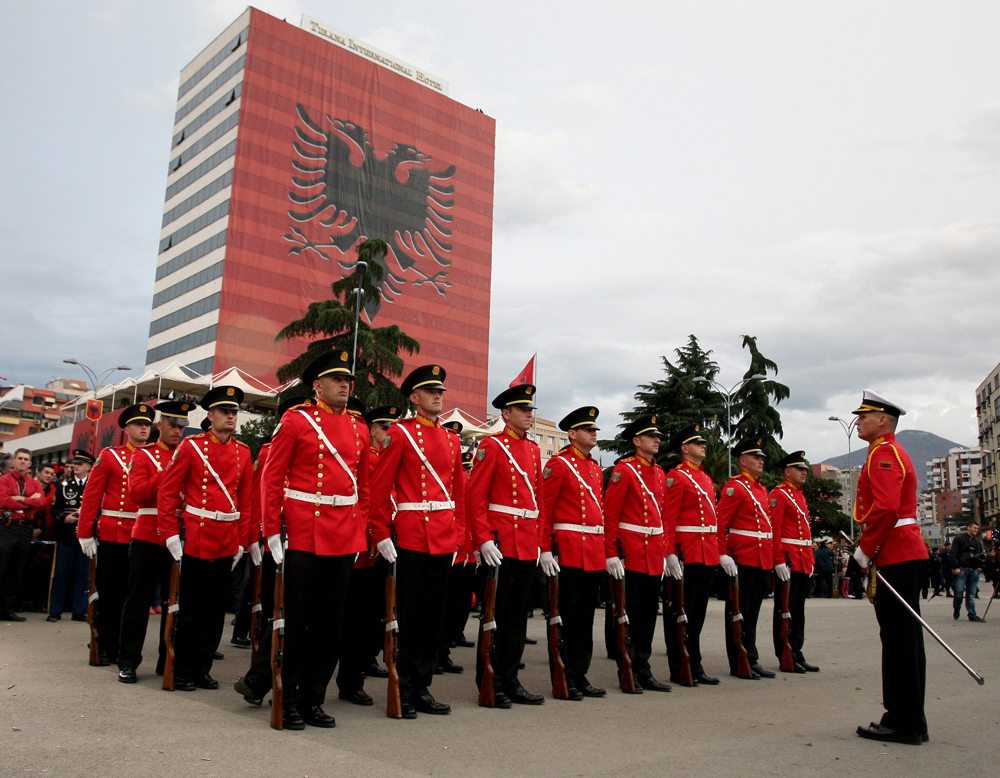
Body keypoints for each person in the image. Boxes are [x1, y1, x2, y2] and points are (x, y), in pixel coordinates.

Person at [252, 351, 370, 729]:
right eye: (336, 380)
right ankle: (286, 699)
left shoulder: (358, 428)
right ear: (317, 385)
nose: (344, 385)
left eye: (348, 381)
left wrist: (358, 530)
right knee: (297, 623)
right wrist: (272, 530)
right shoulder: (297, 420)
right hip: (304, 531)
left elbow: (363, 488)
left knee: (329, 627)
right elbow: (272, 479)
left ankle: (313, 699)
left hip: (342, 535)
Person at [371, 364, 467, 718]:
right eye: (430, 391)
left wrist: (459, 535)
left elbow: (459, 493)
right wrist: (380, 533)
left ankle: (422, 686)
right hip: (411, 532)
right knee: (408, 617)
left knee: (432, 618)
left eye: (440, 391)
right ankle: (404, 688)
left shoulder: (452, 439)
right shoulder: (401, 434)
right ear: (414, 398)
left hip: (442, 536)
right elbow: (380, 487)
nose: (438, 396)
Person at [158, 386, 252, 692]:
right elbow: (168, 491)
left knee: (215, 612)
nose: (230, 417)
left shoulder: (243, 451)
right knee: (191, 610)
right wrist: (170, 533)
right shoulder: (192, 447)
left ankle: (202, 668)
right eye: (224, 412)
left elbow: (246, 500)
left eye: (234, 412)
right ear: (210, 417)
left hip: (227, 537)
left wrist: (242, 539)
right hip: (198, 533)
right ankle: (182, 668)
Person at [850, 390, 928, 746]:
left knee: (899, 641)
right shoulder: (885, 451)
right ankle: (910, 717)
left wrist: (865, 551)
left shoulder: (884, 453)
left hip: (895, 552)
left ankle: (902, 720)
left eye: (863, 416)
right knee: (905, 640)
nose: (858, 421)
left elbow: (886, 508)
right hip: (899, 550)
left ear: (882, 419)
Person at [466, 384, 546, 707]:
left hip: (526, 542)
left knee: (518, 617)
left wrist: (540, 542)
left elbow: (538, 500)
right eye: (523, 410)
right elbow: (476, 496)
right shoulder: (492, 446)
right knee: (495, 615)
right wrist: (483, 539)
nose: (529, 415)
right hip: (500, 543)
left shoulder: (535, 450)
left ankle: (511, 678)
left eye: (531, 410)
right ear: (506, 414)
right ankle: (490, 680)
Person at [234, 395, 312, 707]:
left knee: (298, 616)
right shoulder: (269, 450)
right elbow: (260, 492)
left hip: (306, 534)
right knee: (280, 614)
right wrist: (261, 535)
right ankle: (261, 679)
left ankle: (263, 681)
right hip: (280, 538)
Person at [117, 401, 195, 683]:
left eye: (182, 427)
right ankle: (127, 661)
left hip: (179, 532)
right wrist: (169, 472)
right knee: (137, 602)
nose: (177, 431)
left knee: (174, 602)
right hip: (148, 535)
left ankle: (168, 661)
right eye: (172, 425)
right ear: (158, 426)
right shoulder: (144, 456)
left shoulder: (191, 454)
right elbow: (137, 494)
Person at [77, 404, 155, 663]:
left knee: (134, 597)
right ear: (126, 429)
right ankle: (106, 643)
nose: (144, 428)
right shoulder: (110, 456)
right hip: (114, 532)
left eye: (147, 424)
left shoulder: (155, 457)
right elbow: (92, 496)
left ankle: (126, 647)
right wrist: (84, 531)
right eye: (138, 424)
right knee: (111, 593)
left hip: (144, 533)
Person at [538, 406, 606, 701]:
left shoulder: (593, 468)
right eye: (588, 430)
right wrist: (544, 549)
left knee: (586, 618)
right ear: (572, 434)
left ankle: (580, 673)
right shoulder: (559, 464)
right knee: (567, 617)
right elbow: (545, 509)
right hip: (567, 551)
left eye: (595, 430)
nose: (593, 434)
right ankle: (564, 677)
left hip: (592, 551)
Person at [602, 414, 672, 692]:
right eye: (651, 437)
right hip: (631, 552)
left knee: (647, 615)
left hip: (653, 553)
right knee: (628, 614)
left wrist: (665, 552)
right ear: (636, 441)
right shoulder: (624, 470)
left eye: (658, 437)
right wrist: (611, 553)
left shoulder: (659, 472)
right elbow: (611, 514)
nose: (657, 441)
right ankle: (628, 669)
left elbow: (663, 517)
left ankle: (643, 667)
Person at [662, 423, 719, 685]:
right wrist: (670, 552)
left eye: (703, 443)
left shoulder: (705, 478)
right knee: (681, 612)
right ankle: (680, 665)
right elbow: (668, 518)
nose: (703, 447)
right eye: (698, 443)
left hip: (705, 551)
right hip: (686, 552)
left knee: (697, 613)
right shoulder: (676, 477)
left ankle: (694, 663)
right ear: (685, 448)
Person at [716, 437, 775, 680]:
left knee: (753, 612)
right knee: (740, 612)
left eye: (762, 458)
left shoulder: (761, 489)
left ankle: (751, 656)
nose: (761, 461)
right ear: (743, 461)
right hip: (744, 557)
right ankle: (739, 659)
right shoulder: (735, 487)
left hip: (761, 558)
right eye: (756, 457)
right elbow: (721, 522)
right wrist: (722, 553)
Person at [768, 451, 819, 673]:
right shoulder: (779, 495)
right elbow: (775, 530)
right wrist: (778, 560)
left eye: (805, 469)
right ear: (788, 472)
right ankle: (785, 653)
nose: (805, 472)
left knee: (798, 610)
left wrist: (810, 560)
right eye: (800, 469)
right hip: (788, 561)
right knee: (785, 609)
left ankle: (797, 651)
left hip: (802, 560)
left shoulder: (799, 495)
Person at [0, 448, 47, 621]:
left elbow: (41, 502)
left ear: (29, 463)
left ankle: (8, 609)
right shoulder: (4, 480)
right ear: (13, 461)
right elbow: (3, 501)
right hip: (7, 526)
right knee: (2, 566)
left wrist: (20, 499)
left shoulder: (34, 483)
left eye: (25, 459)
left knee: (17, 569)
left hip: (25, 528)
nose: (22, 461)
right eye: (19, 458)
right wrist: (29, 501)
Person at [48, 452, 93, 622]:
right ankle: (55, 610)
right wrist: (63, 518)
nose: (75, 467)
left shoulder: (93, 484)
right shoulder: (64, 485)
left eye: (80, 465)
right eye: (74, 464)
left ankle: (79, 610)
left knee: (82, 574)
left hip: (85, 535)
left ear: (88, 467)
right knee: (61, 573)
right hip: (66, 535)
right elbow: (55, 508)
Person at [950, 522, 985, 622]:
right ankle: (957, 608)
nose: (976, 530)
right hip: (962, 569)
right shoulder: (959, 539)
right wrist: (956, 567)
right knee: (959, 592)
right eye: (974, 528)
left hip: (974, 570)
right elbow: (954, 553)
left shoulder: (977, 542)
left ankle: (972, 614)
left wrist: (981, 567)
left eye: (977, 529)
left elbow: (981, 556)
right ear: (968, 528)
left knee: (971, 593)